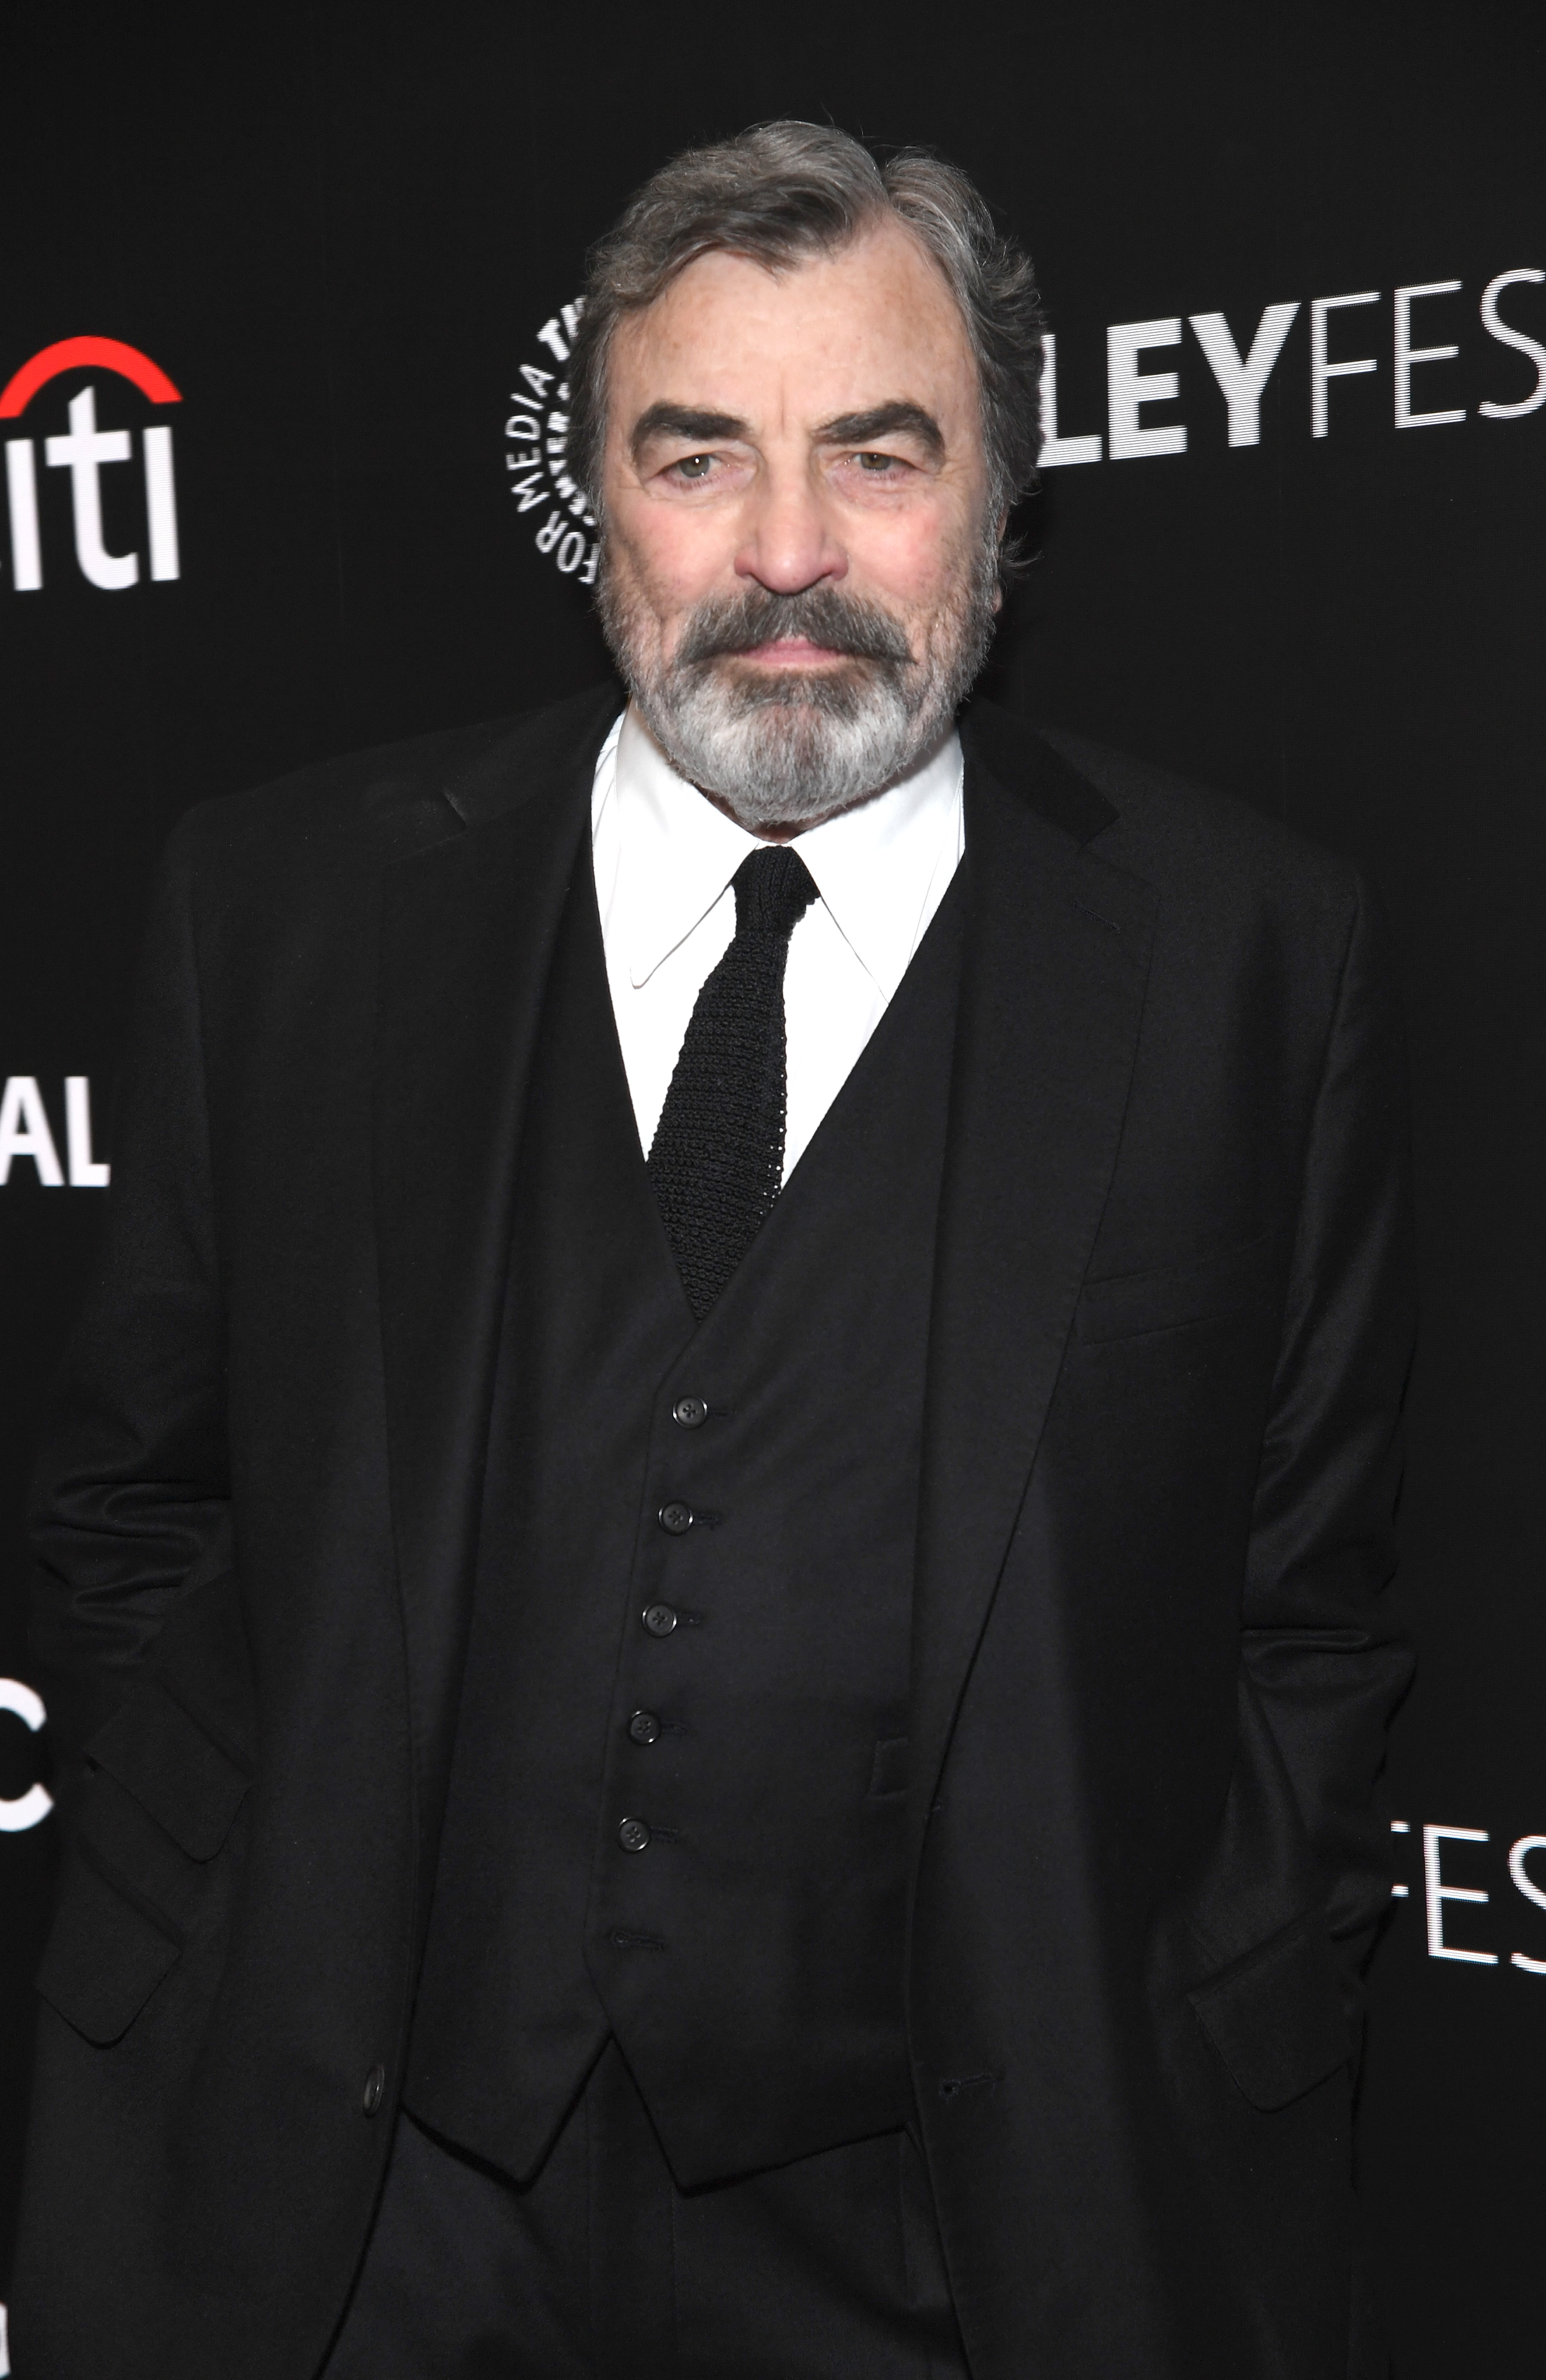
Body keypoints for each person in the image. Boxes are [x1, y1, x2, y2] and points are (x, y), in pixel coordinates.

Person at [12, 121, 1413, 2380]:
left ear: (1005, 500)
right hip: (364, 2220)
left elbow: (1308, 1615)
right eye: (698, 458)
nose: (785, 554)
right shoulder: (279, 912)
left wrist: (1174, 2017)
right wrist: (244, 1899)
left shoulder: (1251, 958)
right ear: (598, 507)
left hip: (973, 2241)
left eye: (877, 454)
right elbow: (130, 1504)